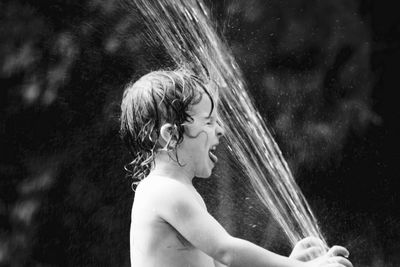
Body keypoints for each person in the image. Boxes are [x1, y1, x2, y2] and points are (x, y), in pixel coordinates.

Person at [120, 69, 353, 267]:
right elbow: (227, 251)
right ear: (171, 134)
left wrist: (289, 262)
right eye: (209, 122)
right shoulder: (166, 192)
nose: (220, 130)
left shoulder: (173, 191)